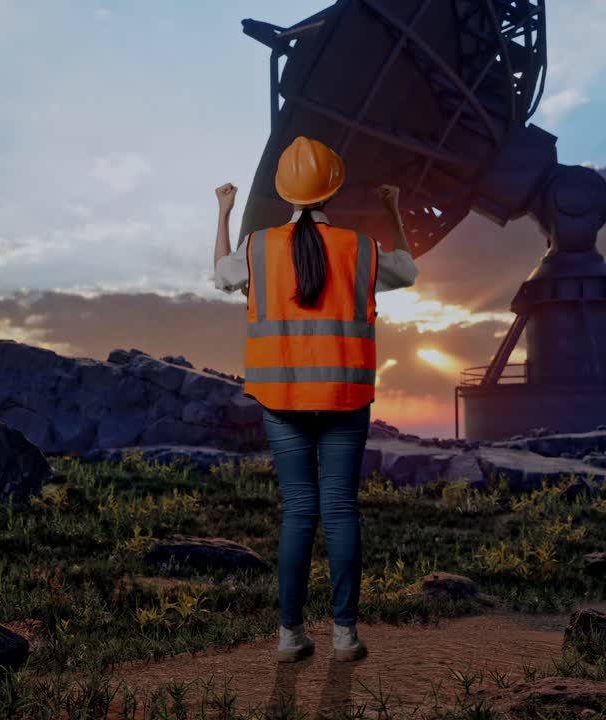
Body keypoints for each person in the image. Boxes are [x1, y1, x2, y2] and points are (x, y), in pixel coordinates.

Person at [211, 135, 419, 663]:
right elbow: (408, 270)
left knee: (299, 511)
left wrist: (224, 213)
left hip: (280, 399)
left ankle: (289, 636)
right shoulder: (361, 248)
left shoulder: (257, 247)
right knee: (341, 509)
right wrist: (393, 211)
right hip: (346, 396)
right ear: (333, 190)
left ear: (284, 193)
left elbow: (221, 275)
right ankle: (345, 636)